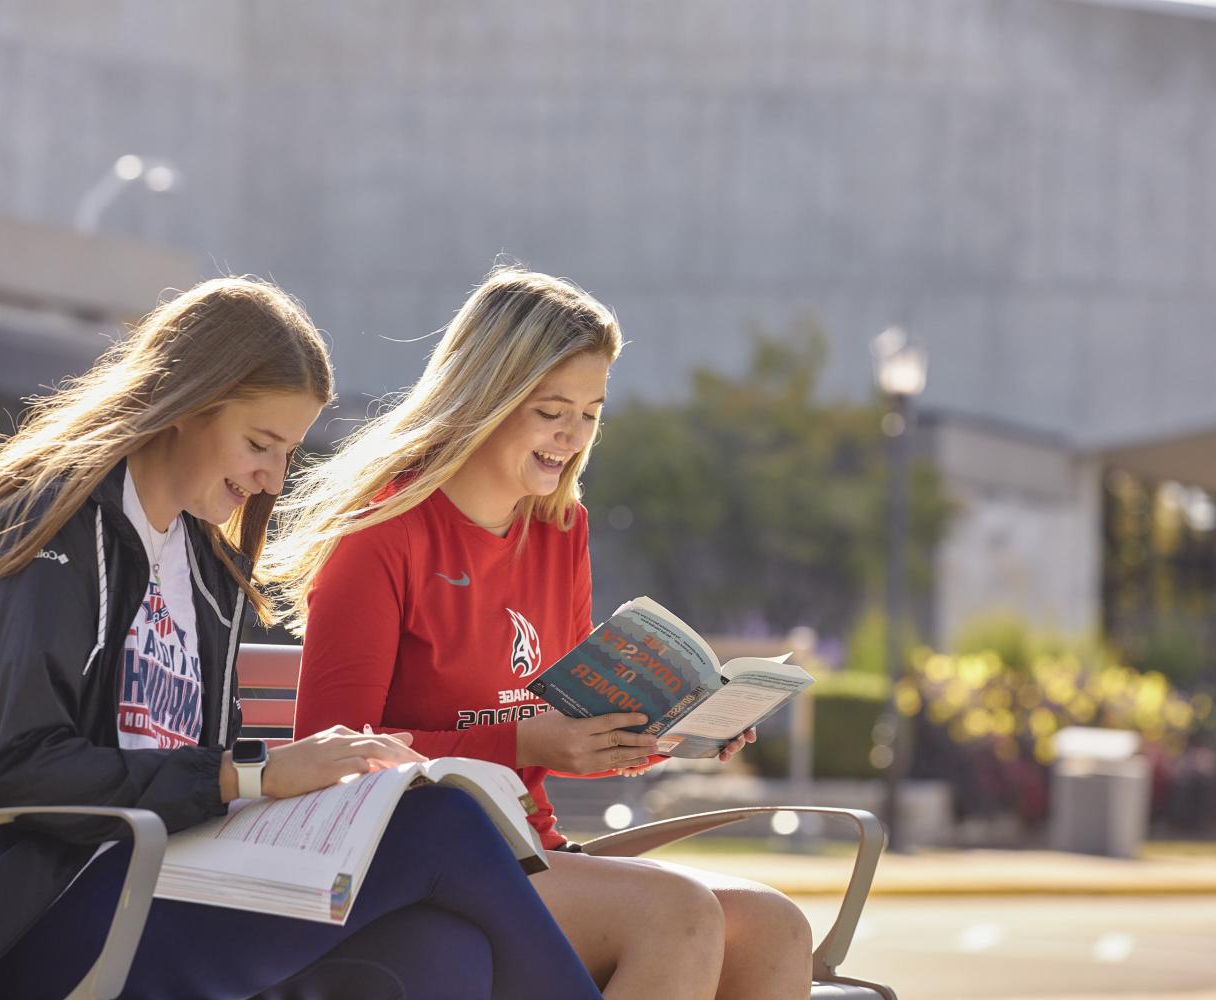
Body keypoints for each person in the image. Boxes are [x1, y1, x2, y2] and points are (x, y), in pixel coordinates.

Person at [0, 277, 603, 1000]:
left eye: (288, 452)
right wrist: (250, 778)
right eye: (260, 442)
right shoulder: (44, 530)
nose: (273, 476)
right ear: (189, 405)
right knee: (441, 825)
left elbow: (204, 764)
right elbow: (25, 771)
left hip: (163, 876)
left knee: (447, 956)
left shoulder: (205, 563)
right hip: (21, 907)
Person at [264, 266, 813, 1000]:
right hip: (415, 863)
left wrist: (662, 732)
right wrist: (520, 744)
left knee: (775, 925)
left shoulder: (561, 529)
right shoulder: (381, 538)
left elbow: (558, 724)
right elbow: (330, 759)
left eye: (590, 412)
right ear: (486, 397)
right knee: (676, 916)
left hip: (533, 849)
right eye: (551, 410)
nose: (571, 436)